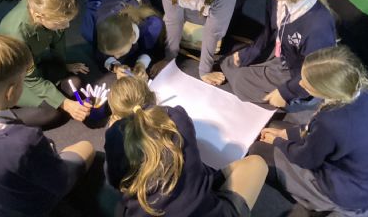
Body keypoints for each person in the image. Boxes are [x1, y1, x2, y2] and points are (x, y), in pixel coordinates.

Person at [104, 75, 267, 217]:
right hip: (207, 211)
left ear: (115, 115)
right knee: (256, 163)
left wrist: (113, 133)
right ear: (152, 97)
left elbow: (113, 181)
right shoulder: (174, 115)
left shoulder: (113, 137)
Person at [249, 46, 368, 216]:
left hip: (349, 191)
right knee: (277, 127)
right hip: (367, 175)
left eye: (307, 84)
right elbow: (318, 132)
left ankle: (319, 202)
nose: (300, 84)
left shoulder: (331, 121)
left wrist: (278, 142)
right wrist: (286, 134)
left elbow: (306, 159)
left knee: (258, 150)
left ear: (326, 90)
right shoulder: (364, 91)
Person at [0, 33, 95, 217]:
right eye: (22, 82)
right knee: (86, 147)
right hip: (34, 207)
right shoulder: (25, 139)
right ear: (10, 92)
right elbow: (59, 181)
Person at [221, 0, 336, 122]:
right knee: (230, 61)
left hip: (299, 72)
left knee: (240, 82)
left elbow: (315, 73)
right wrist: (250, 53)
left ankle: (299, 101)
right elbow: (268, 31)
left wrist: (285, 92)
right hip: (281, 53)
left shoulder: (318, 27)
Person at [0, 0, 91, 127]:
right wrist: (64, 103)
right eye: (61, 23)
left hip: (33, 63)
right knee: (52, 113)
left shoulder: (49, 6)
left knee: (74, 83)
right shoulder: (16, 33)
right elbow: (31, 79)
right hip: (9, 77)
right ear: (39, 16)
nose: (66, 26)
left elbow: (57, 38)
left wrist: (63, 65)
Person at [81, 0, 164, 78]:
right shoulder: (99, 25)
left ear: (133, 37)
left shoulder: (151, 24)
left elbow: (151, 49)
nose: (116, 57)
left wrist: (142, 63)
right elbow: (99, 53)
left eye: (119, 52)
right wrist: (115, 66)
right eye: (113, 54)